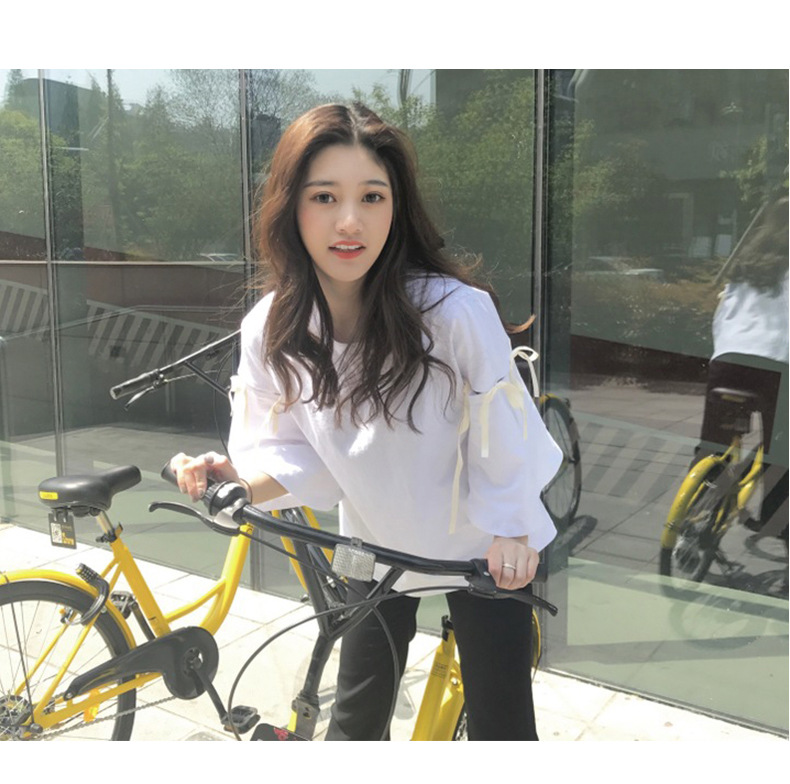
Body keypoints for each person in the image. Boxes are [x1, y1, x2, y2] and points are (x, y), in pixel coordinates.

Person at [171, 103, 562, 740]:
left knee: (504, 727)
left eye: (372, 197)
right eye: (324, 196)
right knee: (354, 720)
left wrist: (513, 530)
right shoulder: (272, 327)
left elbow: (504, 437)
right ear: (291, 207)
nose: (349, 221)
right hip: (375, 547)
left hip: (482, 549)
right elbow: (298, 455)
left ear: (396, 209)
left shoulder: (454, 312)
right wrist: (237, 480)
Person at [699, 194, 788, 542]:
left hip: (728, 359)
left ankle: (696, 511)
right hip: (775, 365)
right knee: (781, 451)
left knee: (713, 444)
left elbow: (723, 309)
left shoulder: (747, 261)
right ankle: (776, 524)